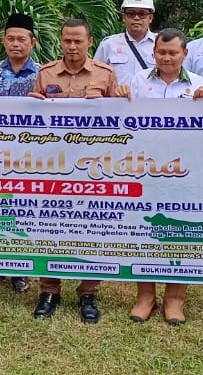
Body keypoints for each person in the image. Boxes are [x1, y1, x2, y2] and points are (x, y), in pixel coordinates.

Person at [28, 18, 130, 322]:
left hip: (93, 169)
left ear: (90, 41)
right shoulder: (45, 74)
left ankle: (88, 292)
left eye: (78, 41)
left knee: (92, 228)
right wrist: (30, 106)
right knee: (48, 227)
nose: (72, 47)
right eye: (67, 41)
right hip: (52, 167)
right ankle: (49, 290)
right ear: (61, 42)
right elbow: (31, 123)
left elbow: (122, 121)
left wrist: (118, 98)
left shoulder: (106, 74)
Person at [125, 28, 203, 325]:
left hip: (185, 173)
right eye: (161, 52)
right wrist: (118, 95)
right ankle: (145, 296)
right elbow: (118, 118)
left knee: (180, 234)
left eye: (173, 52)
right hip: (144, 171)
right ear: (154, 53)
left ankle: (176, 298)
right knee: (144, 232)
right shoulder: (137, 82)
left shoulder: (200, 86)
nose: (166, 57)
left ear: (184, 54)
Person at [0, 12, 41, 294]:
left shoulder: (43, 74)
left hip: (29, 155)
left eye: (22, 39)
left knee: (21, 211)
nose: (16, 44)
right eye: (11, 39)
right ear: (3, 41)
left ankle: (20, 268)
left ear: (32, 42)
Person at [93, 0, 157, 85]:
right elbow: (95, 78)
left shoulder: (161, 45)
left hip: (151, 100)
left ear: (150, 18)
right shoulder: (108, 45)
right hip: (117, 99)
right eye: (131, 13)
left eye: (142, 14)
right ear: (124, 17)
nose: (136, 18)